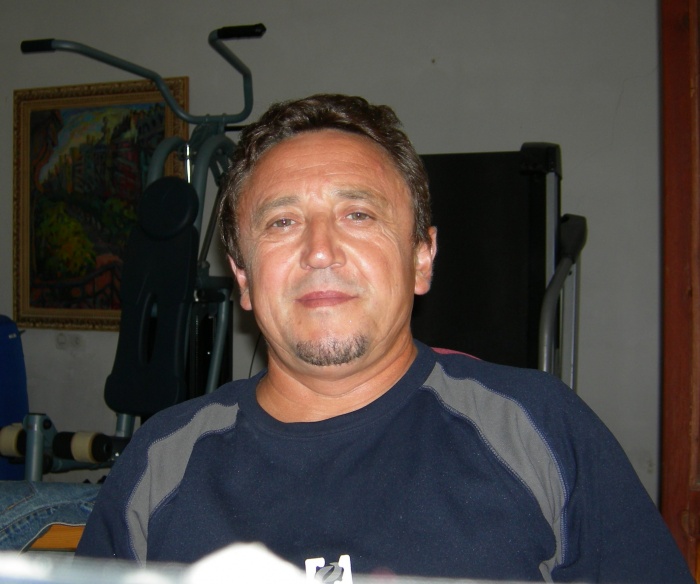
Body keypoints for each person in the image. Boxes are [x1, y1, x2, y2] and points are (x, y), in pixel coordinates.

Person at [76, 94, 693, 583]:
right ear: (242, 278)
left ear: (422, 257)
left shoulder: (539, 431)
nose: (320, 250)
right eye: (283, 221)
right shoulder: (160, 464)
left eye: (358, 215)